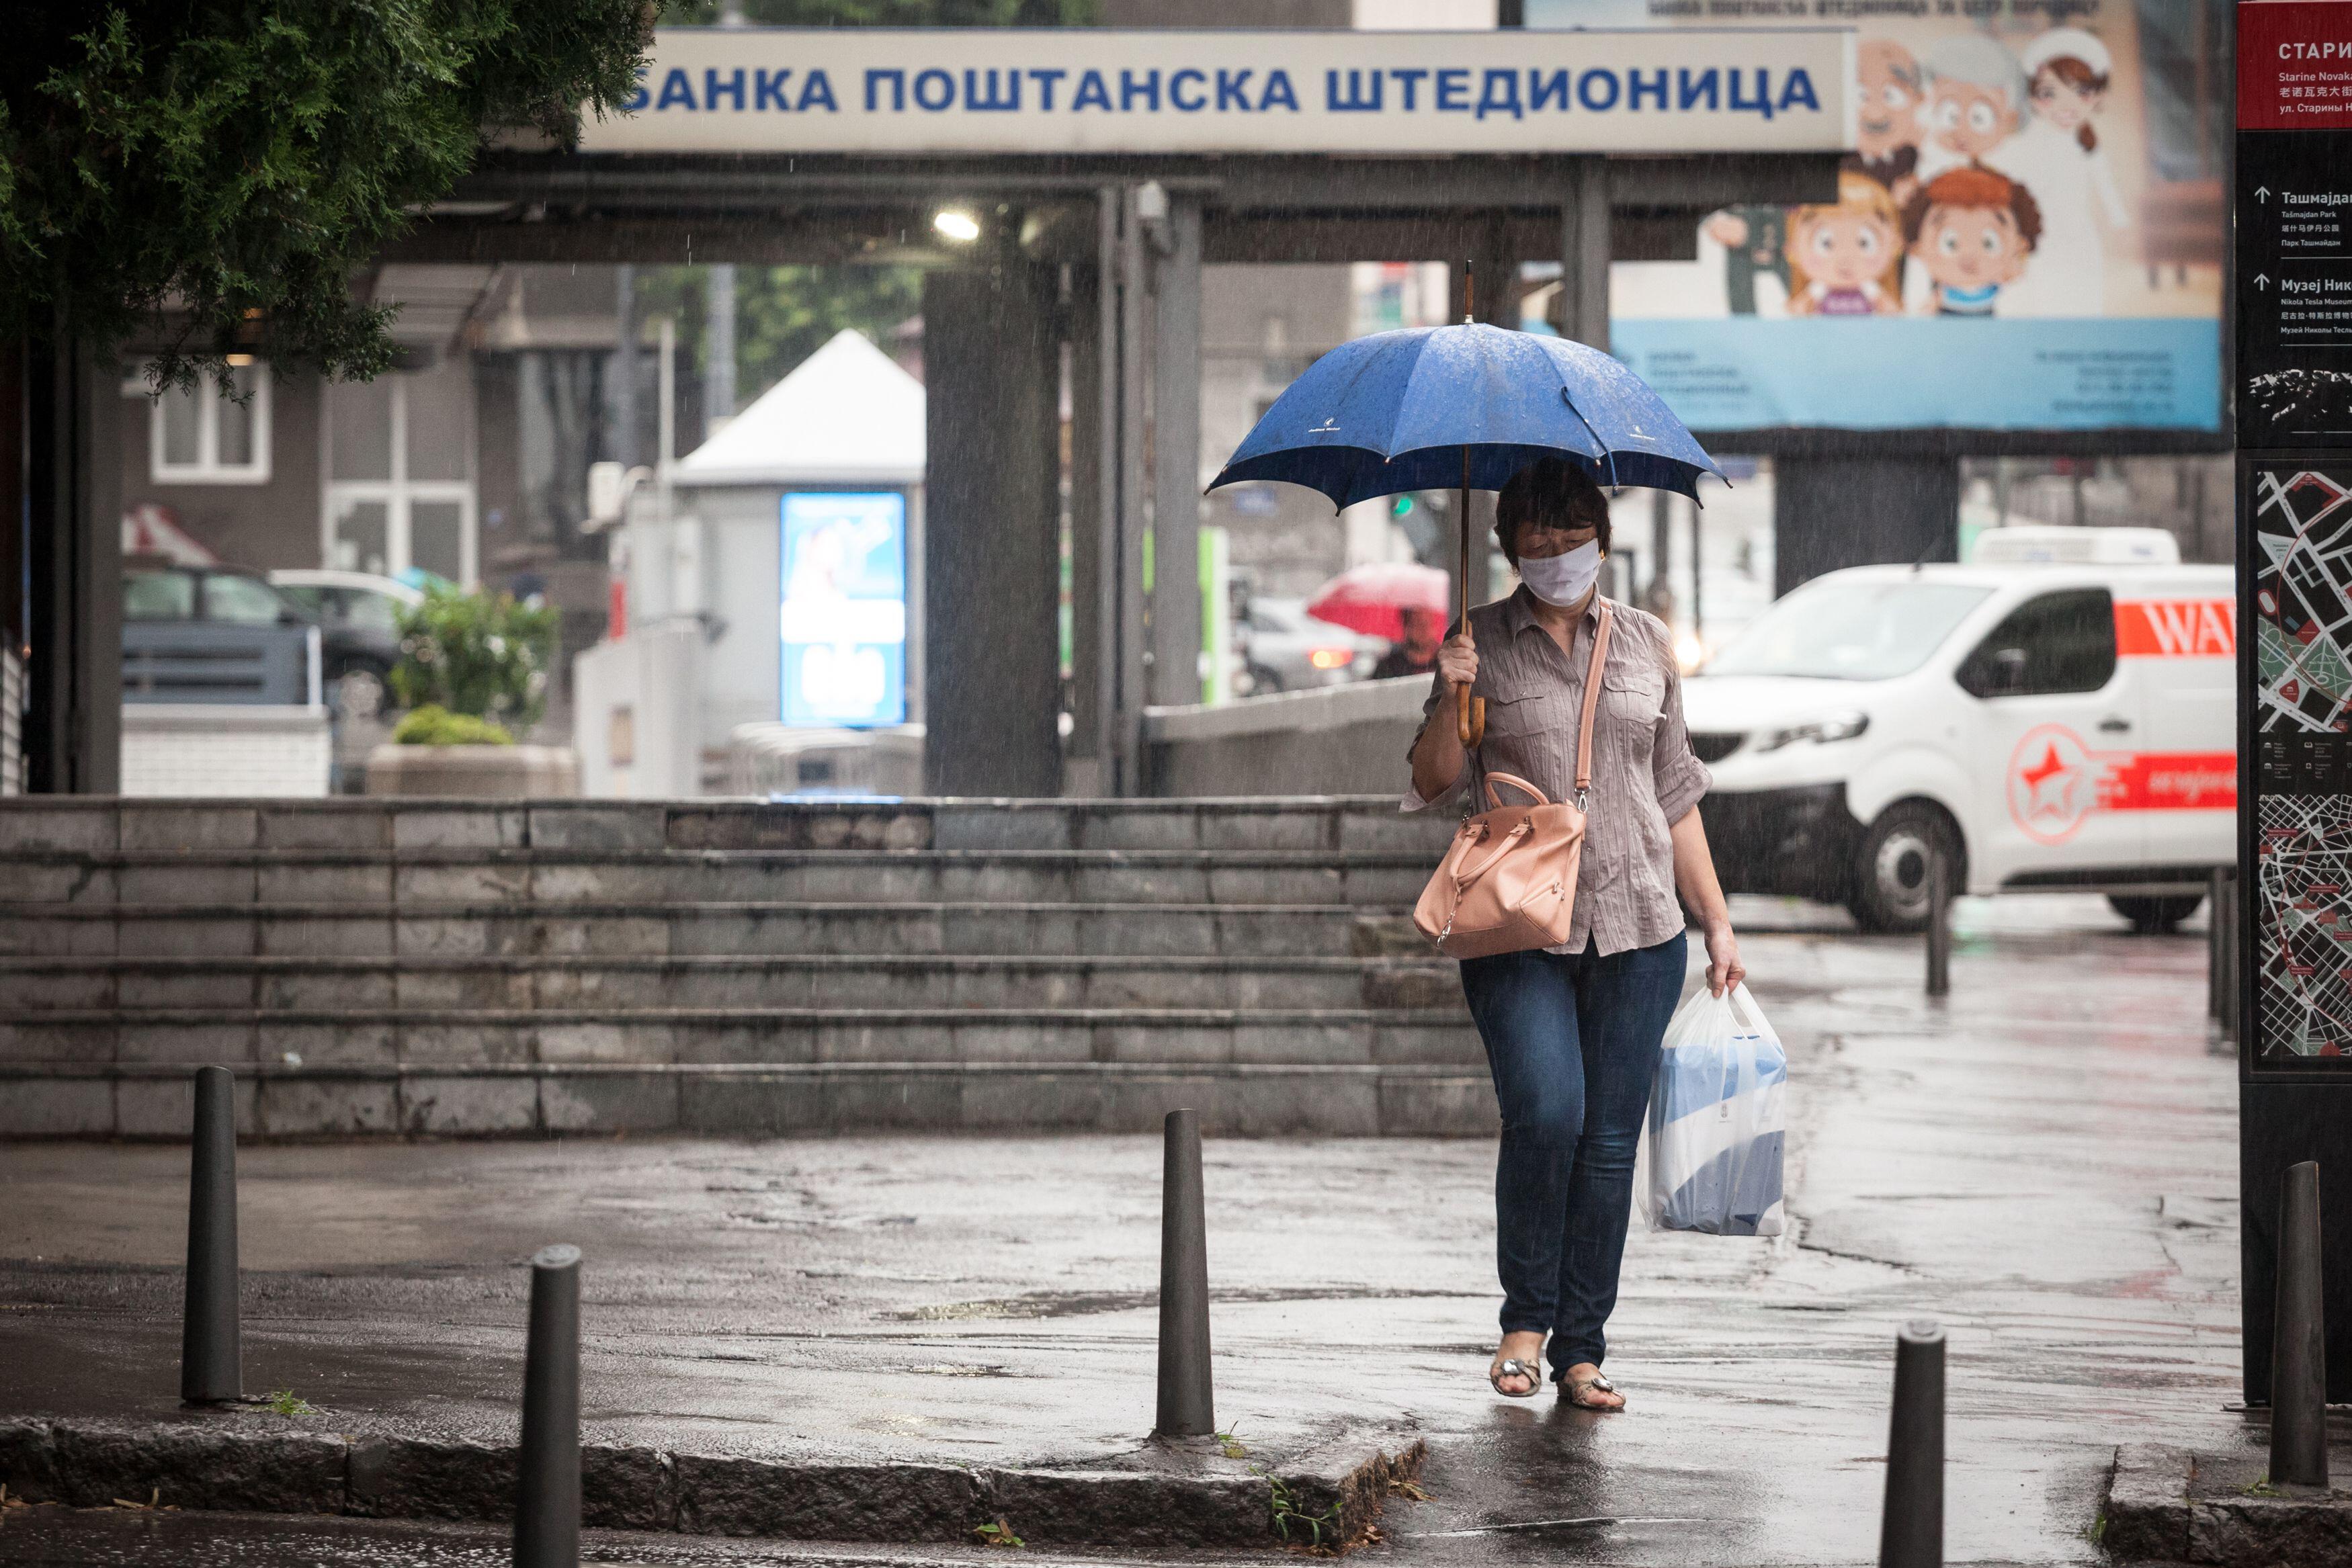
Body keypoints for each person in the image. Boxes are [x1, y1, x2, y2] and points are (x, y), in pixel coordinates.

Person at [1403, 457, 1745, 1411]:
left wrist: (1716, 921)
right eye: (1535, 538)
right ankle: (1526, 1317)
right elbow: (1432, 779)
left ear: (1600, 534)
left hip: (1640, 924)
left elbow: (1675, 794)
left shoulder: (1645, 643)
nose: (1554, 552)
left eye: (1569, 534)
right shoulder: (1481, 642)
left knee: (1606, 1142)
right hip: (1517, 922)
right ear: (1510, 545)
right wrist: (1446, 691)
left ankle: (1582, 1348)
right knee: (1546, 1112)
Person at [1995, 28, 2129, 318]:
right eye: (2049, 93)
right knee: (2040, 299)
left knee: (2083, 299)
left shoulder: (2087, 141)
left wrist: (2119, 221)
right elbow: (2009, 185)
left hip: (2079, 235)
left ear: (2097, 96)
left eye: (2081, 92)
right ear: (2032, 96)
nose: (2066, 106)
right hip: (2038, 236)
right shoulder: (2027, 142)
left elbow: (2104, 182)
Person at [1903, 164, 2043, 318]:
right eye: (1950, 244)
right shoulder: (1939, 295)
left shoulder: (2002, 294)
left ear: (2019, 244)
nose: (1969, 257)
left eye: (1989, 244)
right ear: (1918, 247)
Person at [1785, 169, 1906, 316]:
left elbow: (1890, 310)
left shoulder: (1870, 288)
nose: (1846, 258)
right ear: (1793, 248)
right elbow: (1798, 309)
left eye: (1864, 243)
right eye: (1826, 243)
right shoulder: (1818, 289)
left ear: (1895, 244)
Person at [1372, 605, 1441, 680]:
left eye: (1428, 623)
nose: (1424, 629)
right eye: (1417, 623)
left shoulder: (1448, 661)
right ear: (1406, 627)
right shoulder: (1389, 666)